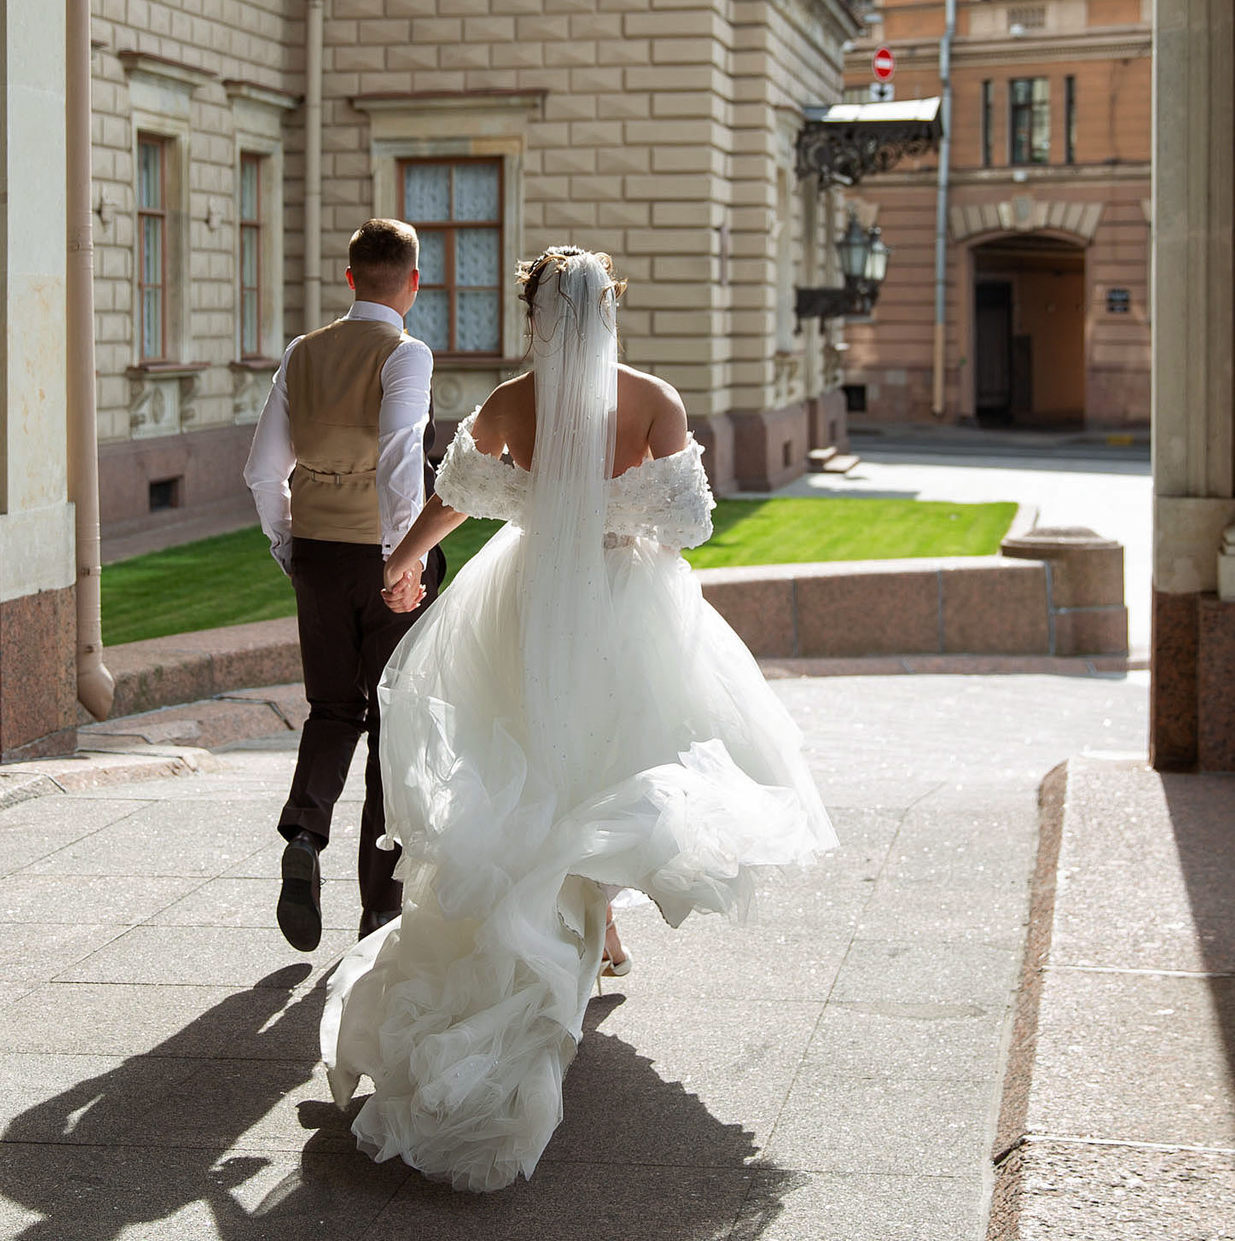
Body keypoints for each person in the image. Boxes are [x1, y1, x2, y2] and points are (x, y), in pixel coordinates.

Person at [318, 246, 838, 1192]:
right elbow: (687, 523)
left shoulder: (513, 400)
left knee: (537, 761)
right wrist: (615, 513)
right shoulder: (653, 400)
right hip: (623, 604)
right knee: (609, 762)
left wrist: (400, 560)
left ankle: (588, 925)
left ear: (534, 317)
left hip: (527, 600)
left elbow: (457, 496)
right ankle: (596, 926)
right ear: (610, 312)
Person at [242, 218, 446, 951]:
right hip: (379, 554)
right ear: (413, 283)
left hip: (319, 553)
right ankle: (378, 907)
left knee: (332, 708)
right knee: (393, 722)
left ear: (350, 276)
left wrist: (287, 543)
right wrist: (402, 561)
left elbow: (263, 470)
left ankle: (304, 834)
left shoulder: (304, 352)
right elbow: (400, 457)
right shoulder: (407, 352)